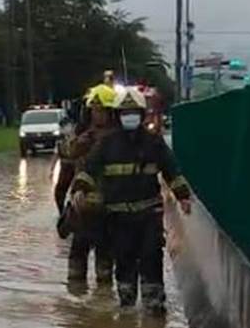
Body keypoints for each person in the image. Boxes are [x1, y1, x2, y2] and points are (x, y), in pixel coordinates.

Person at [72, 87, 191, 314]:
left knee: (151, 256)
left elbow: (171, 171)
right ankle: (126, 303)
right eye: (125, 112)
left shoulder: (154, 143)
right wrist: (80, 189)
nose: (129, 116)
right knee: (123, 259)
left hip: (149, 214)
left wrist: (183, 197)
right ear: (118, 115)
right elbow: (89, 169)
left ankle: (153, 304)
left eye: (133, 112)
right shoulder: (106, 144)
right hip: (118, 216)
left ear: (141, 114)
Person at [65, 83, 117, 287]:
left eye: (101, 110)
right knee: (77, 257)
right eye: (93, 110)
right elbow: (69, 153)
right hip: (83, 207)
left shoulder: (118, 138)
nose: (97, 115)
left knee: (105, 260)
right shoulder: (84, 135)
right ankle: (79, 300)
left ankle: (101, 301)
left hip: (108, 207)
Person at [50, 116, 75, 214]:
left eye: (67, 126)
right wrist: (52, 170)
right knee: (59, 191)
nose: (65, 128)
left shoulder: (80, 138)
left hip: (77, 167)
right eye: (63, 126)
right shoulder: (60, 141)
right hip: (65, 168)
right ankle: (62, 212)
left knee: (77, 189)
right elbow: (56, 155)